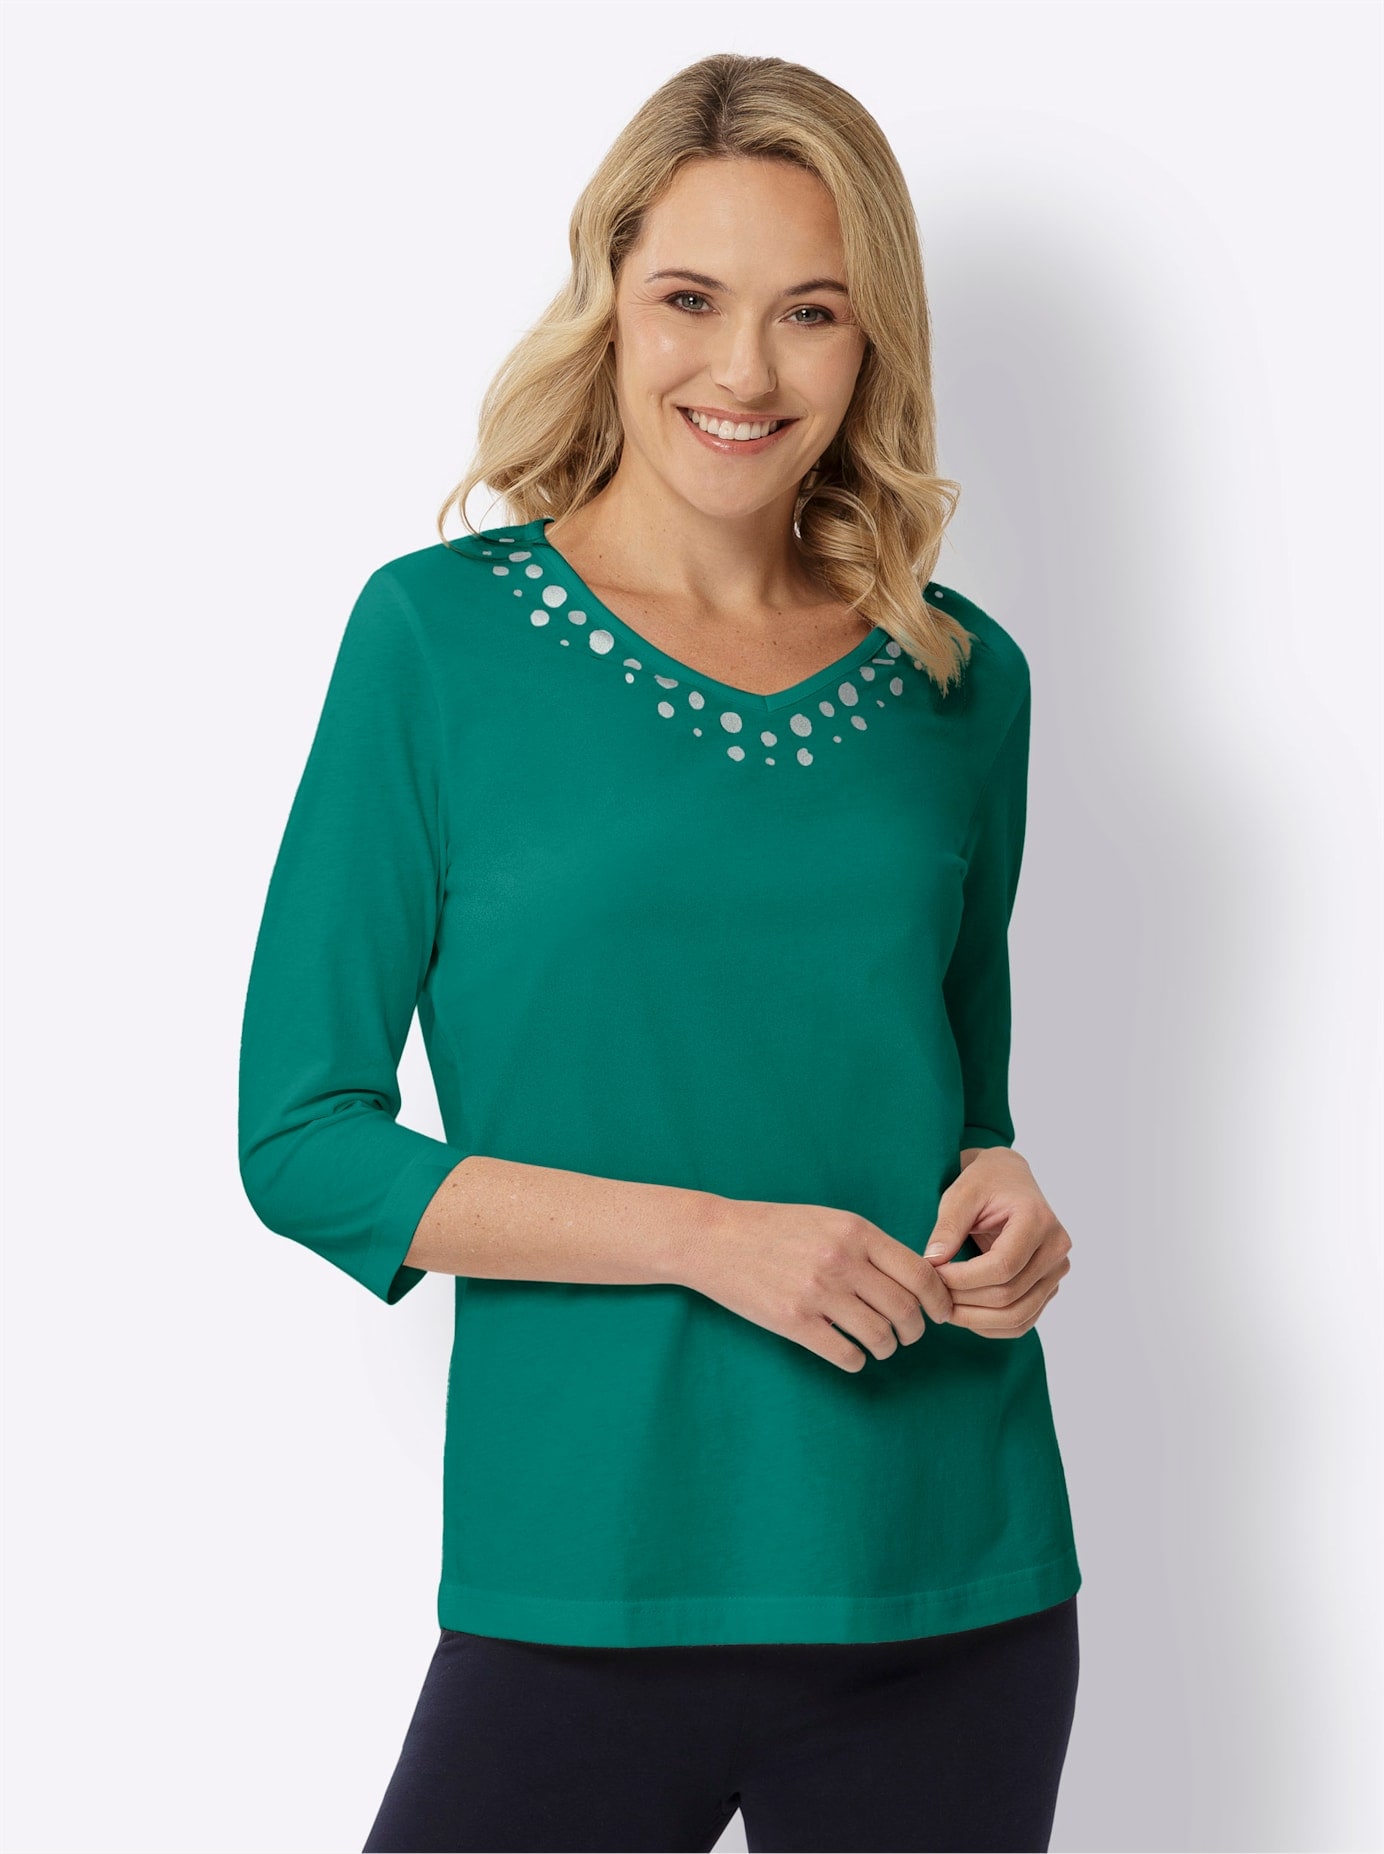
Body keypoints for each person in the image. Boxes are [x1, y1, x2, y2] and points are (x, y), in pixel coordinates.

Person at [237, 50, 1082, 1854]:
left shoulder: (961, 679)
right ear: (609, 292)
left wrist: (1004, 1193)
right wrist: (708, 1239)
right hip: (584, 1573)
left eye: (810, 312)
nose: (744, 370)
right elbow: (300, 1137)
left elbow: (960, 1098)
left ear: (871, 340)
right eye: (692, 298)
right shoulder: (438, 642)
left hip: (950, 1577)